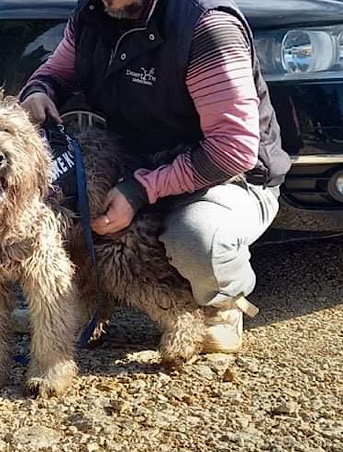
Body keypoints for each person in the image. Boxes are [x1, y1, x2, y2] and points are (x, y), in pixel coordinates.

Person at [19, 0, 291, 353]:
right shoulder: (91, 14)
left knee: (196, 238)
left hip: (226, 177)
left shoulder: (206, 27)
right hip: (138, 164)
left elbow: (232, 151)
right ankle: (78, 304)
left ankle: (221, 305)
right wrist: (38, 91)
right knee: (59, 207)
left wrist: (138, 191)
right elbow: (55, 72)